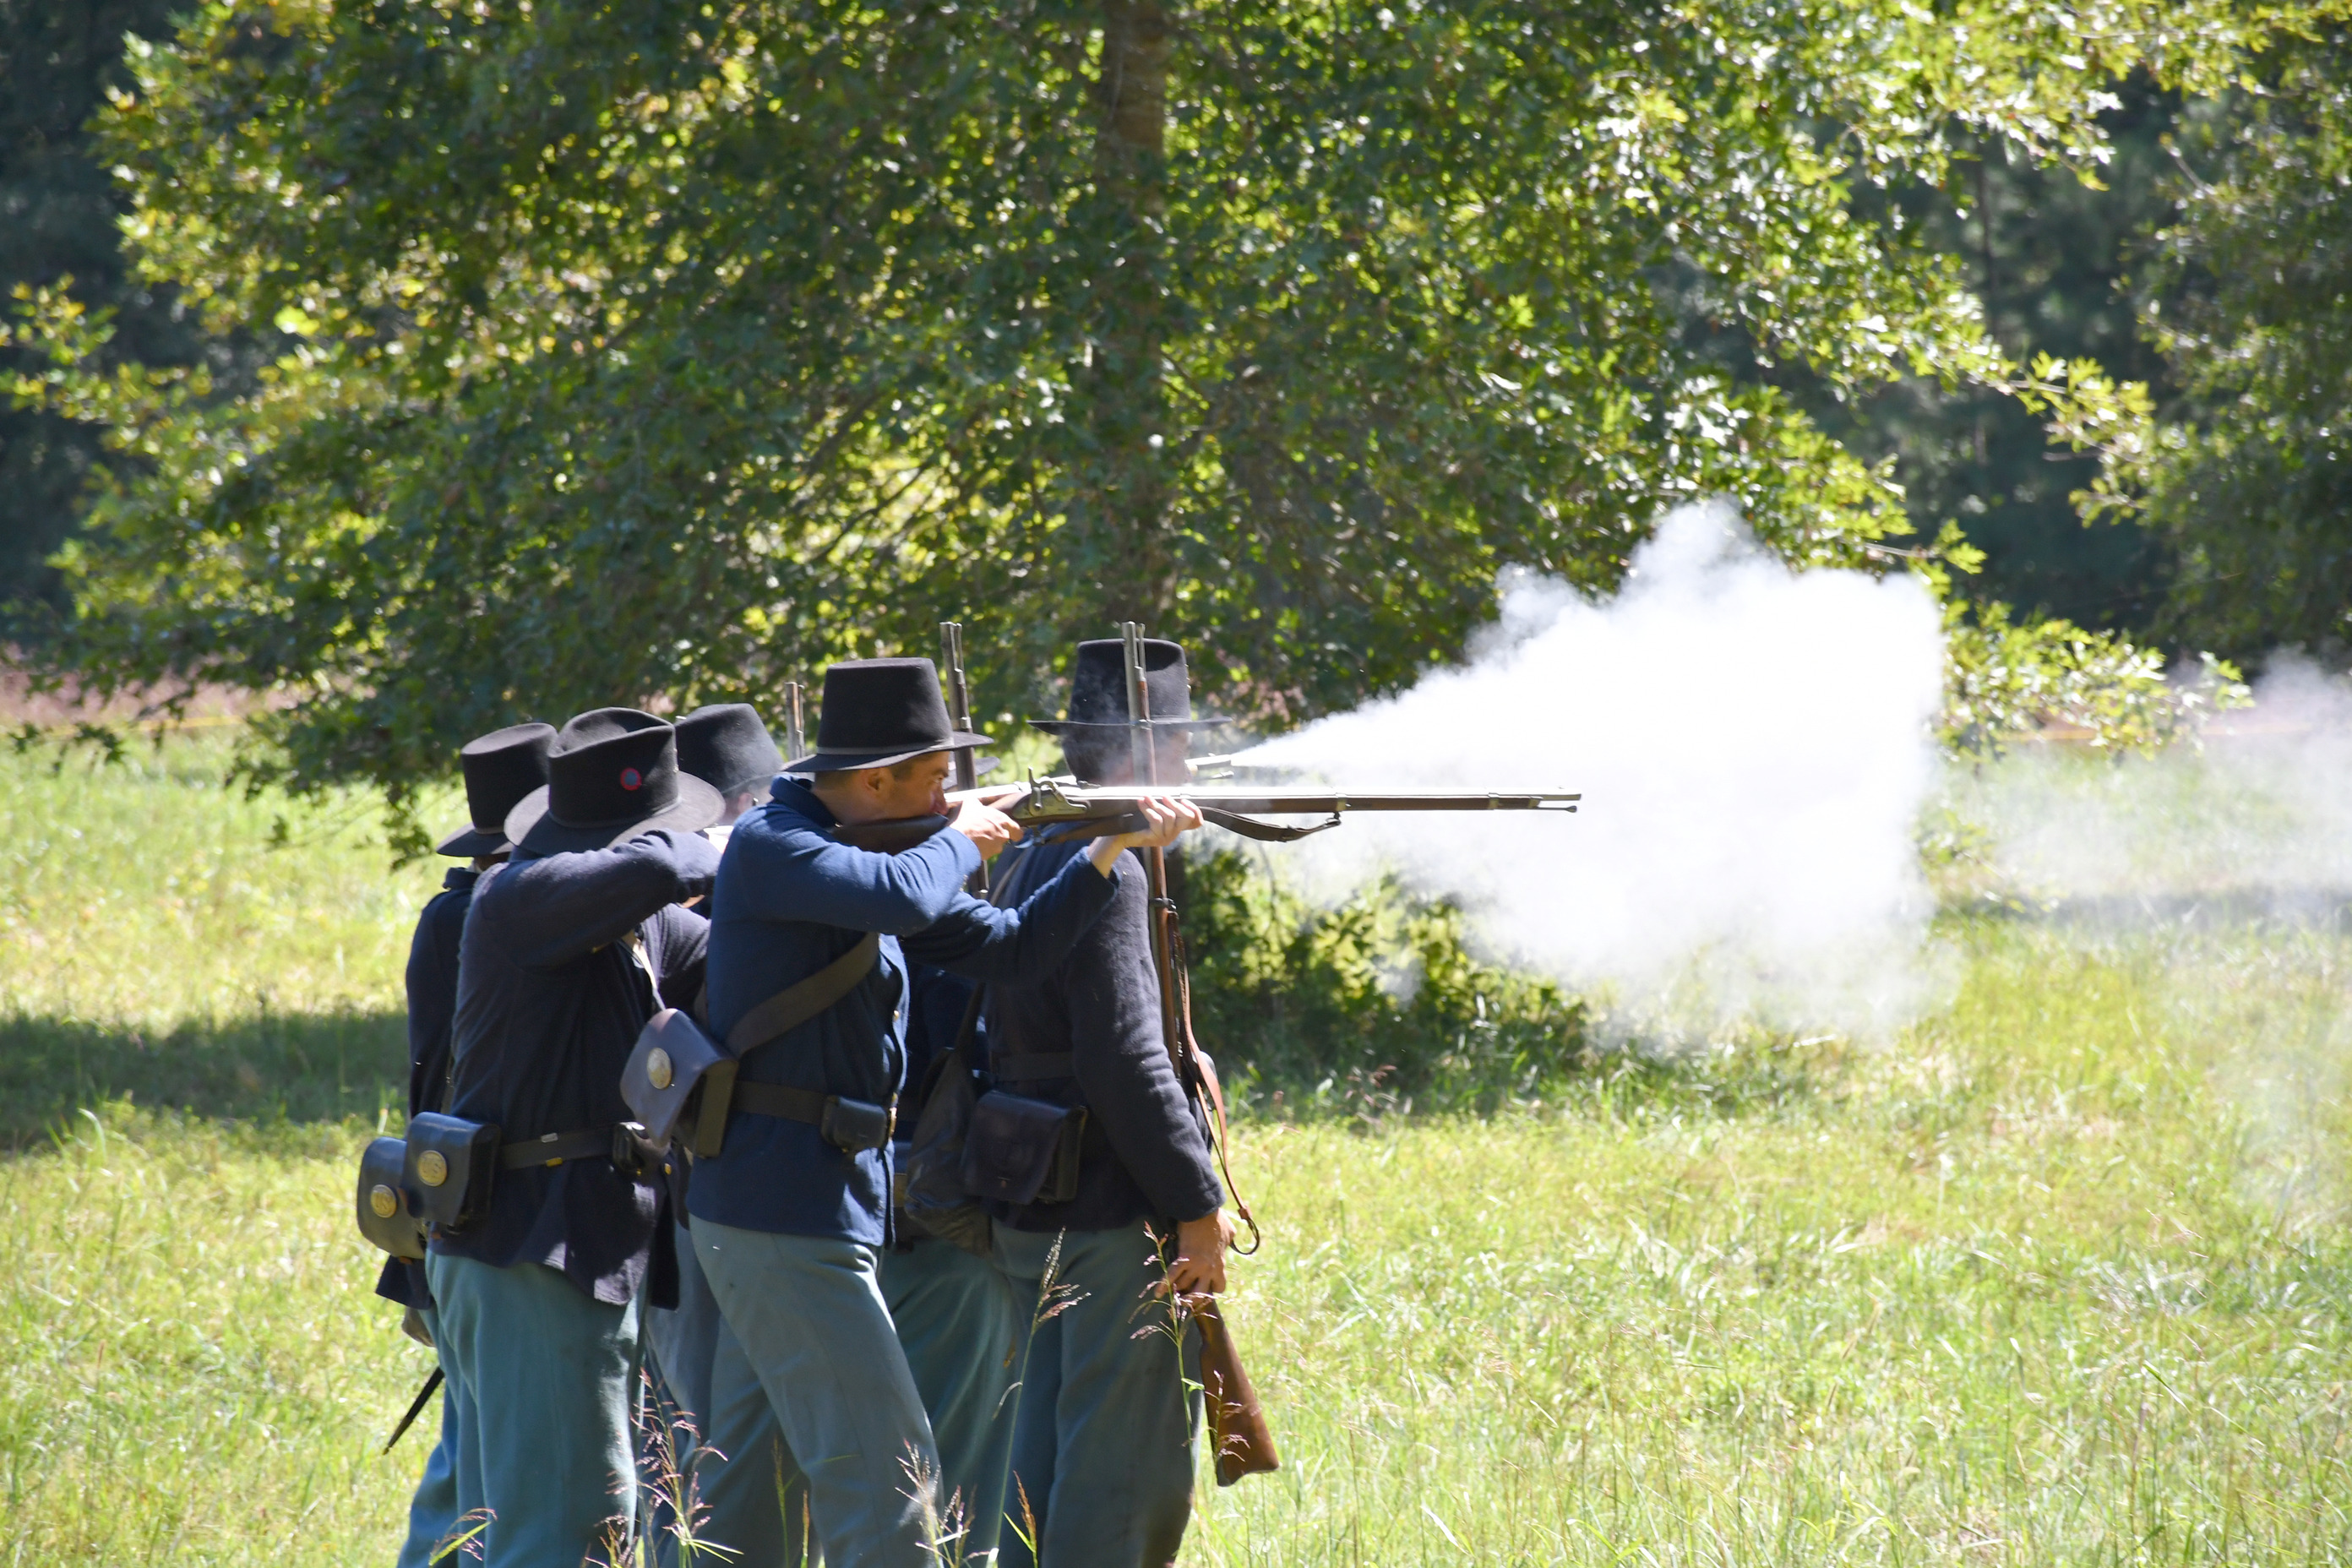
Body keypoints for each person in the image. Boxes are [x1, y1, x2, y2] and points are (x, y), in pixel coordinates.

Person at [687, 657, 1201, 1568]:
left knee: (870, 1472)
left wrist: (1102, 852)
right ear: (875, 780)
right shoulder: (781, 843)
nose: (947, 793)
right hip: (779, 1201)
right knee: (887, 1484)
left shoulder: (863, 854)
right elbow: (906, 893)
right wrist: (967, 836)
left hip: (821, 1200)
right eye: (932, 778)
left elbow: (1009, 950)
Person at [426, 709, 723, 1567]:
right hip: (538, 1241)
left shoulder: (622, 914)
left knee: (539, 1525)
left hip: (566, 1240)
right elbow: (673, 863)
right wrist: (750, 839)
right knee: (569, 1533)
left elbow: (732, 957)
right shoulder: (522, 891)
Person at [986, 638, 1237, 1568]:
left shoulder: (1025, 853)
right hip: (1105, 1204)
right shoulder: (1110, 868)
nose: (1188, 765)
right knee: (1124, 1476)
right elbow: (1128, 1057)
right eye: (1175, 747)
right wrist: (1195, 1203)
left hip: (1033, 1186)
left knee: (1043, 1462)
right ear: (1145, 761)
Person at [386, 721, 555, 1568]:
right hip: (488, 1205)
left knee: (475, 1455)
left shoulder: (455, 909)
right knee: (488, 1463)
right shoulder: (485, 914)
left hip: (458, 1199)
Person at [648, 701, 789, 1559]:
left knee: (691, 1425)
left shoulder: (693, 883)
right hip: (700, 1188)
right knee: (702, 1428)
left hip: (694, 1187)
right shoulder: (695, 887)